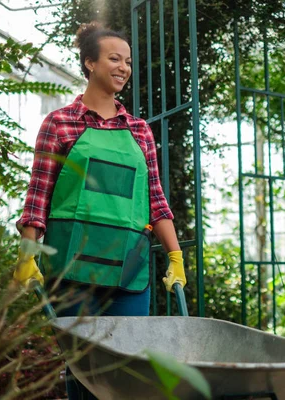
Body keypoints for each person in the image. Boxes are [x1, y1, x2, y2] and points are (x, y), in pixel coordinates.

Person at [13, 22, 187, 399]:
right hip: (71, 269)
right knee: (85, 372)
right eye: (114, 58)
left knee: (129, 371)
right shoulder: (60, 124)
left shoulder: (140, 131)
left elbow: (156, 200)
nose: (123, 67)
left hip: (128, 268)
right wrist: (28, 254)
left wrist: (175, 256)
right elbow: (38, 196)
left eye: (127, 61)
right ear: (90, 63)